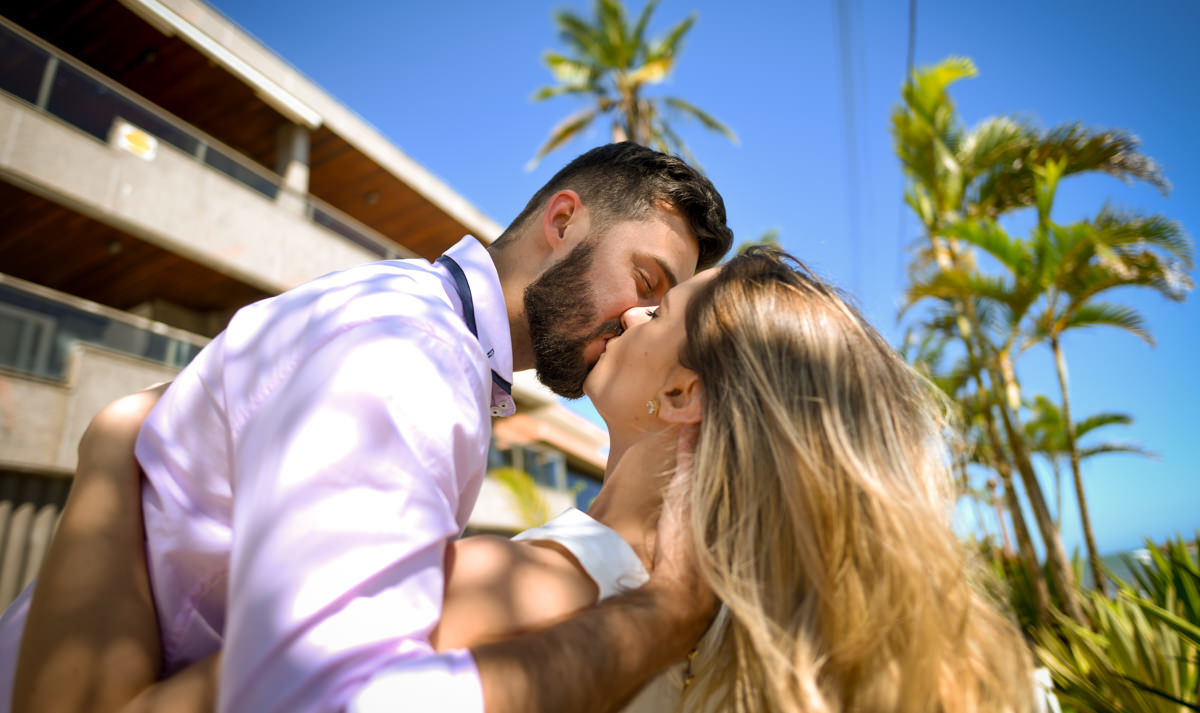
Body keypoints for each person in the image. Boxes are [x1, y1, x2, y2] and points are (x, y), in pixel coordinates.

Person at [11, 249, 1039, 713]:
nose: (630, 318)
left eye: (659, 307)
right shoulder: (846, 631)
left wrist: (112, 449)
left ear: (684, 393)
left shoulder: (558, 583)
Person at [0, 141, 734, 713]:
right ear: (564, 221)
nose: (639, 317)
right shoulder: (407, 353)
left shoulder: (418, 339)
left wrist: (112, 440)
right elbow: (327, 692)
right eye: (646, 283)